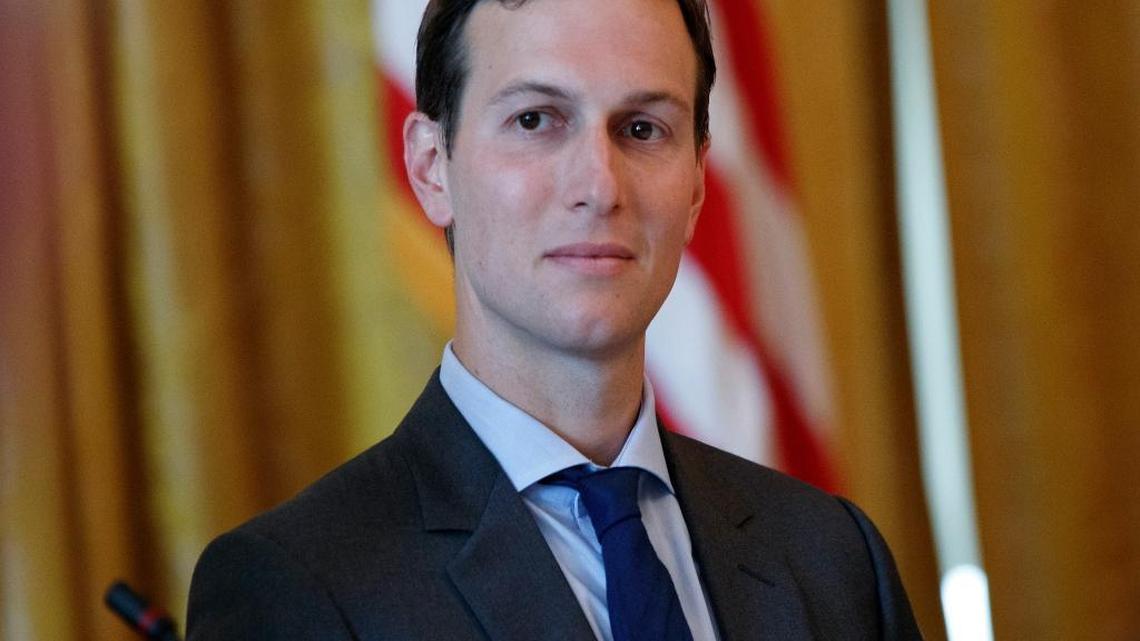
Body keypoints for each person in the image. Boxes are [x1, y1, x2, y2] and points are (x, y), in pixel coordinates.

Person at [186, 0, 923, 639]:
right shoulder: (295, 590)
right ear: (430, 167)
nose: (599, 186)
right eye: (535, 119)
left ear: (699, 184)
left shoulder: (834, 559)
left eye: (641, 128)